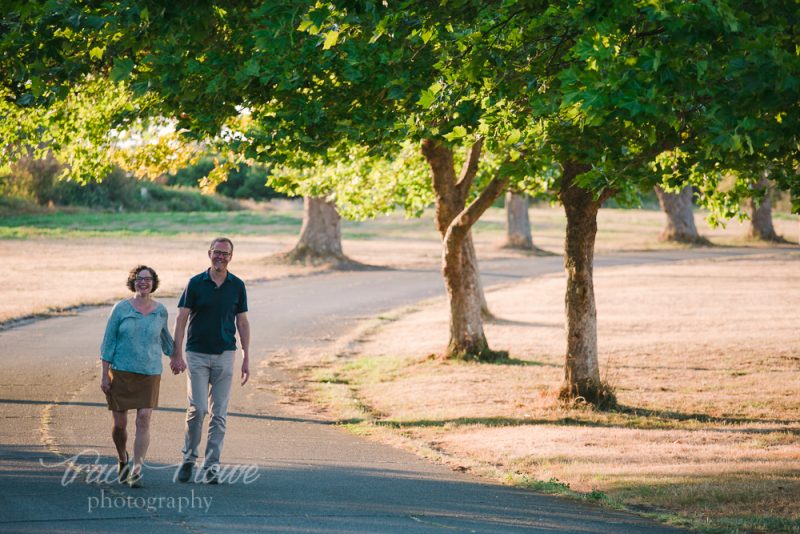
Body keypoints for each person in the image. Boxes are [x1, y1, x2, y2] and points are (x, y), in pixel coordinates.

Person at [170, 237, 250, 484]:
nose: (220, 257)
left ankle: (212, 466)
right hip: (197, 355)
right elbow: (181, 318)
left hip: (226, 355)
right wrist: (177, 353)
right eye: (217, 252)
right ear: (209, 253)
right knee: (198, 409)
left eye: (225, 254)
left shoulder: (237, 285)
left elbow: (242, 322)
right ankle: (188, 459)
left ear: (230, 257)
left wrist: (246, 356)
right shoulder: (195, 283)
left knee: (219, 414)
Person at [100, 265, 181, 489]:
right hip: (121, 371)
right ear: (133, 282)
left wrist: (177, 356)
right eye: (139, 279)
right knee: (120, 425)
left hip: (150, 372)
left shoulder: (160, 311)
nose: (143, 282)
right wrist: (104, 375)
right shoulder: (121, 309)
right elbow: (108, 343)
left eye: (148, 279)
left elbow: (166, 340)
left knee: (144, 418)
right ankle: (122, 458)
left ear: (154, 283)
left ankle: (136, 469)